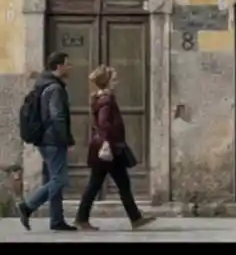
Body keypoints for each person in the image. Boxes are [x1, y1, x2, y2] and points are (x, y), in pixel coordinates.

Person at [74, 66, 156, 231]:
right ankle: (134, 218)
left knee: (102, 183)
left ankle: (83, 218)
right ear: (107, 81)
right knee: (113, 184)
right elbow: (104, 123)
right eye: (114, 79)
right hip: (109, 148)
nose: (117, 82)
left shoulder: (99, 98)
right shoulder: (107, 100)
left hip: (106, 147)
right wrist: (107, 141)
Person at [16, 52, 74, 232]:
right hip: (53, 140)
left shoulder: (43, 84)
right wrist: (64, 138)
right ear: (58, 66)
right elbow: (56, 116)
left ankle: (57, 220)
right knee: (60, 179)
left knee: (54, 177)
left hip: (45, 139)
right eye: (67, 64)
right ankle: (28, 206)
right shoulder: (55, 88)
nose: (69, 67)